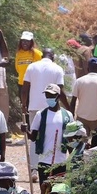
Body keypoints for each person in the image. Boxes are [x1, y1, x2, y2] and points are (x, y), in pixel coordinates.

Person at [22, 48, 66, 180]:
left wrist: (23, 105)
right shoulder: (57, 68)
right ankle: (54, 166)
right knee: (51, 138)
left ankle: (34, 169)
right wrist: (69, 108)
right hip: (52, 110)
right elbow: (60, 91)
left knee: (34, 138)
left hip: (34, 107)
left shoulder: (31, 67)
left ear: (41, 55)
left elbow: (25, 88)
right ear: (53, 56)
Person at [26, 84, 73, 186]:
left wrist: (73, 158)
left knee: (58, 191)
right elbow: (33, 137)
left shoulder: (68, 115)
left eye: (51, 96)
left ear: (58, 97)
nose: (49, 98)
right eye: (47, 96)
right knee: (45, 191)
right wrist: (25, 130)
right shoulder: (40, 115)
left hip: (61, 161)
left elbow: (71, 139)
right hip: (44, 160)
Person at [70, 58, 97, 135]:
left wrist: (72, 121)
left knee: (81, 144)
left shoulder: (79, 81)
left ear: (88, 68)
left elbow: (73, 103)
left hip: (81, 120)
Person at [14, 31, 42, 103]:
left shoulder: (36, 53)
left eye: (27, 41)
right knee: (24, 104)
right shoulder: (19, 53)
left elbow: (42, 66)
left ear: (31, 42)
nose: (25, 43)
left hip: (33, 84)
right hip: (22, 83)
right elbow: (17, 68)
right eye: (23, 41)